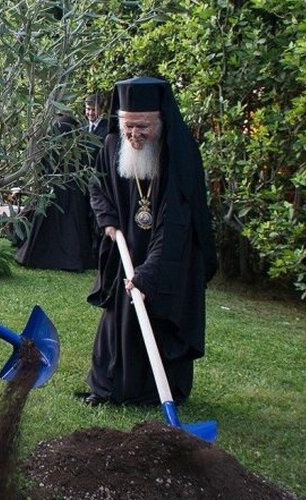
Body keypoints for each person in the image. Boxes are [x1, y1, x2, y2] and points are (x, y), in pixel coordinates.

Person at [78, 76, 217, 407]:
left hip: (169, 256)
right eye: (128, 126)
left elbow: (177, 225)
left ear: (161, 120)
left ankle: (158, 391)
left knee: (159, 315)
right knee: (118, 318)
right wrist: (108, 222)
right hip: (126, 244)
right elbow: (97, 188)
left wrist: (149, 272)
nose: (134, 135)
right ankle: (111, 385)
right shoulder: (112, 146)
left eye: (143, 127)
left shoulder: (178, 156)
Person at [14, 115, 97, 272]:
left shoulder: (52, 149)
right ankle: (71, 259)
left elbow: (42, 170)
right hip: (72, 196)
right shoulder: (81, 150)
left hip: (53, 193)